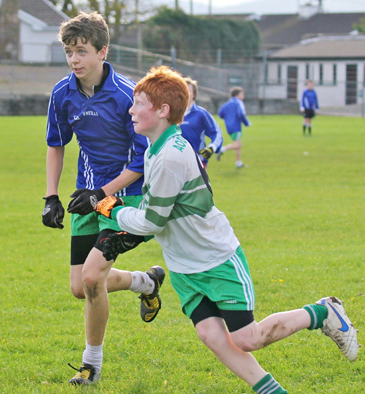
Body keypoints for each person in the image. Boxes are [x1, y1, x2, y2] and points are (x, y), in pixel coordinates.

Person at [94, 66, 360, 393]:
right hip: (183, 265)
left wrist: (108, 207)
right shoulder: (155, 148)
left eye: (138, 104)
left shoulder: (170, 156)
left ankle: (322, 312)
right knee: (211, 336)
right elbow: (158, 213)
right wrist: (119, 227)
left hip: (215, 259)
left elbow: (152, 220)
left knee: (249, 338)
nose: (131, 110)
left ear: (162, 111)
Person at [42, 11, 165, 386]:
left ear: (102, 51)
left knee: (94, 278)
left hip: (124, 200)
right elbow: (56, 144)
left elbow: (141, 161)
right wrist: (50, 196)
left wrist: (102, 193)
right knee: (81, 288)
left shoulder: (129, 95)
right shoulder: (63, 93)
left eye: (81, 51)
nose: (74, 60)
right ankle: (146, 282)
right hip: (87, 196)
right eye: (68, 52)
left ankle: (90, 364)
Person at [180, 77, 223, 168]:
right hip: (175, 162)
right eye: (182, 90)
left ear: (194, 94)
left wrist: (212, 148)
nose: (185, 94)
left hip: (197, 162)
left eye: (188, 91)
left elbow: (217, 133)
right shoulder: (170, 114)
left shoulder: (201, 113)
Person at [217, 87, 251, 168]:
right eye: (242, 94)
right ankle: (221, 149)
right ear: (237, 95)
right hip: (236, 126)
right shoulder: (238, 103)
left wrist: (229, 119)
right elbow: (241, 114)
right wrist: (247, 123)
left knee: (239, 144)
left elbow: (220, 114)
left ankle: (238, 163)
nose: (243, 96)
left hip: (229, 127)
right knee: (237, 144)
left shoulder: (227, 104)